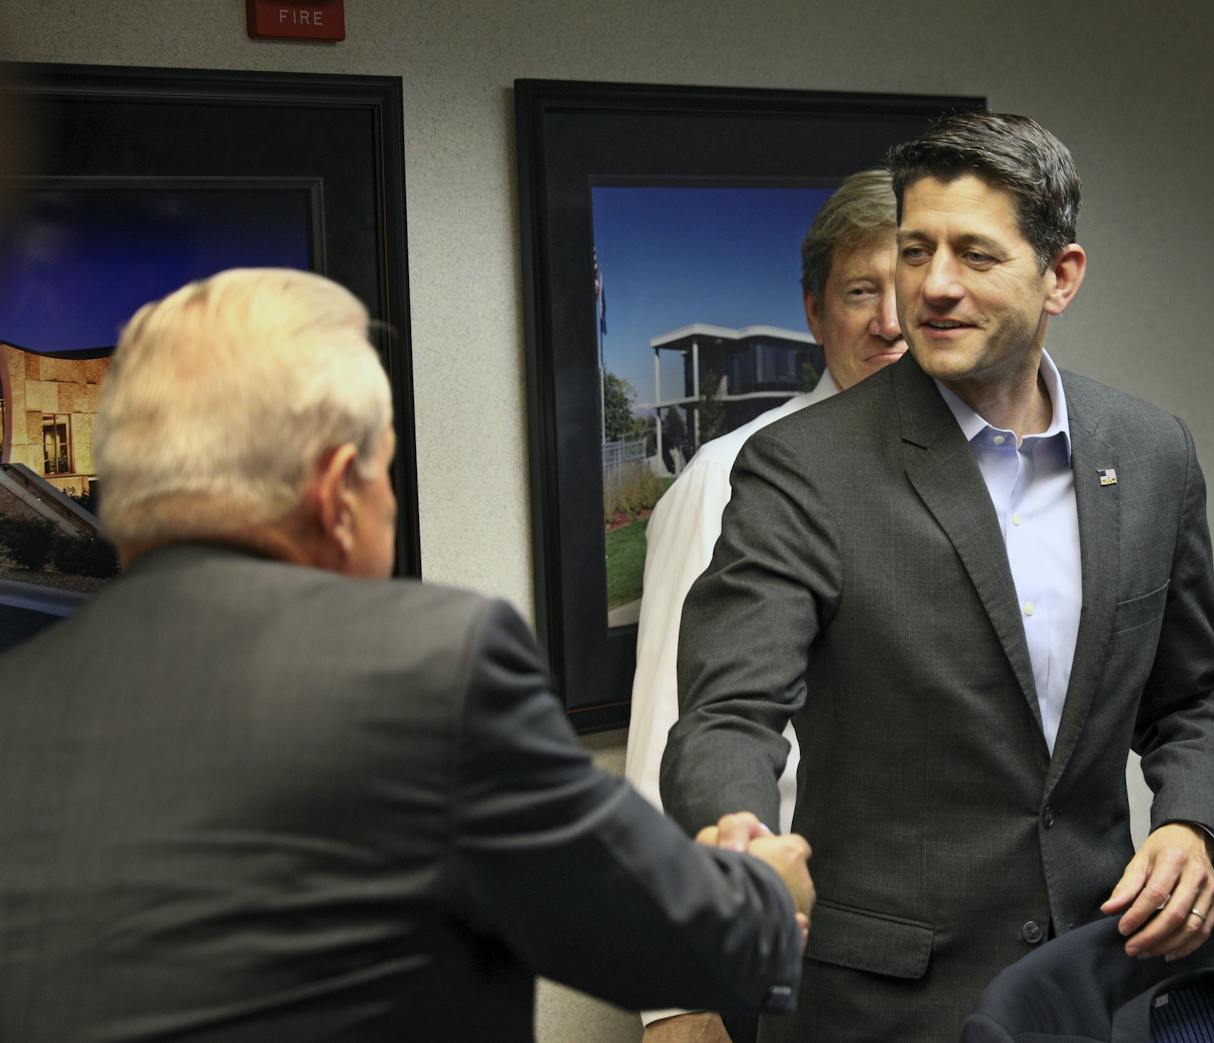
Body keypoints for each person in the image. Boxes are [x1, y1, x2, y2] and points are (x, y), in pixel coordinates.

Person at [0, 268, 814, 1043]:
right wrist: (769, 889)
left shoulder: (18, 700)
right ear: (337, 490)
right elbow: (658, 930)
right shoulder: (427, 670)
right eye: (387, 472)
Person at [662, 112, 1214, 1040]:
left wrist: (1194, 827)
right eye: (915, 249)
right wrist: (744, 836)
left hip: (1098, 984)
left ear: (1061, 276)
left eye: (974, 254)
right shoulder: (802, 467)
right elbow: (727, 711)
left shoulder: (1150, 453)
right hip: (884, 1007)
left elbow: (1196, 697)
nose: (930, 288)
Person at [624, 170, 903, 1043]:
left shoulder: (971, 480)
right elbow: (670, 733)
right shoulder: (735, 476)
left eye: (908, 292)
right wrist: (677, 1004)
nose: (891, 322)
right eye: (862, 292)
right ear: (816, 313)